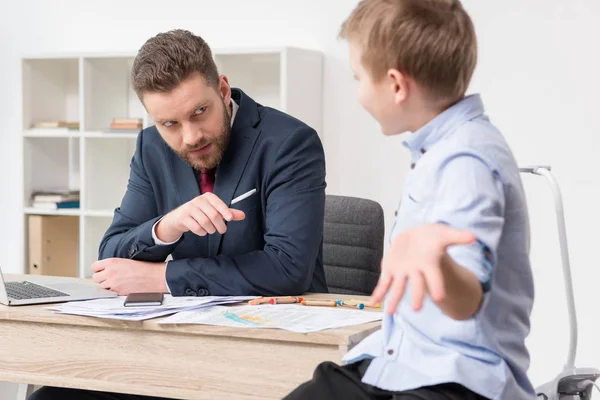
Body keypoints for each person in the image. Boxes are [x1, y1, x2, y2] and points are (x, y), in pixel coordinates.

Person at [30, 29, 328, 400]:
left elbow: (287, 269)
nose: (190, 137)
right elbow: (111, 257)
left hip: (272, 345)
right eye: (169, 123)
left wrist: (162, 275)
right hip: (181, 342)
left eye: (199, 112)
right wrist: (166, 227)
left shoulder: (290, 143)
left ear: (222, 89)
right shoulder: (151, 145)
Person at [284, 0, 535, 399]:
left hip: (456, 383)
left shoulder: (465, 161)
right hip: (408, 362)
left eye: (358, 78)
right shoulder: (440, 149)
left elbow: (466, 300)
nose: (359, 94)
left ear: (397, 85)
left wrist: (435, 258)